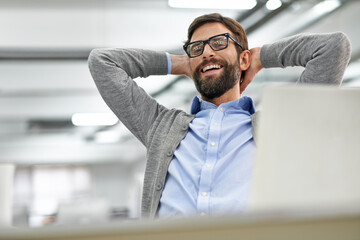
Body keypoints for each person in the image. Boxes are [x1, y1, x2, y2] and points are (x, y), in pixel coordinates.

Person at [88, 13, 351, 219]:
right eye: (196, 48)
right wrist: (179, 63)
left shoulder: (280, 126)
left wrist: (260, 57)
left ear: (243, 59)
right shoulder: (160, 127)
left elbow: (333, 48)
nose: (206, 52)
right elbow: (103, 62)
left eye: (219, 43)